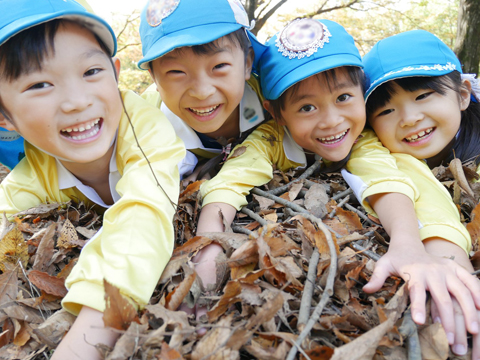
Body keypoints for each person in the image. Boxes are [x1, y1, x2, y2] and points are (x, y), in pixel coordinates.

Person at [0, 0, 184, 358]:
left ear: (116, 73)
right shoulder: (38, 166)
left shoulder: (144, 128)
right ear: (4, 117)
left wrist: (89, 337)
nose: (76, 102)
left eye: (91, 72)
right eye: (39, 84)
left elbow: (142, 216)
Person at [345, 30, 480, 357]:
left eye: (422, 96)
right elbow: (376, 165)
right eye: (386, 111)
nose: (409, 118)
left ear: (463, 94)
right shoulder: (382, 152)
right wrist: (451, 265)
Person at [138, 0, 265, 181]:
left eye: (219, 66)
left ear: (246, 63)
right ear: (154, 78)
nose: (202, 92)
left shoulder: (273, 101)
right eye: (176, 72)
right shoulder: (144, 121)